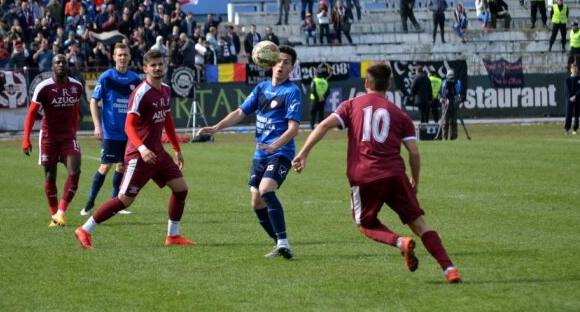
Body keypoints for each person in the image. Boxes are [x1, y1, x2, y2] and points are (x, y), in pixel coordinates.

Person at [292, 62, 461, 284]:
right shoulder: (400, 114)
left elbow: (323, 125)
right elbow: (414, 153)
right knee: (420, 224)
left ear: (366, 83)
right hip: (395, 174)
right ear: (389, 84)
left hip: (365, 175)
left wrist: (303, 153)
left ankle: (401, 243)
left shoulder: (352, 105)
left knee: (365, 224)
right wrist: (415, 181)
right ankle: (449, 269)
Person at [75, 50, 195, 250]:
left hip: (158, 154)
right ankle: (85, 229)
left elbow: (167, 120)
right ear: (145, 68)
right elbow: (129, 126)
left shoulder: (165, 90)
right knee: (124, 201)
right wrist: (142, 148)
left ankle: (173, 236)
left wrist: (176, 148)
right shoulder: (140, 93)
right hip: (139, 156)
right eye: (153, 65)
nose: (157, 68)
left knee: (181, 189)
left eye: (160, 64)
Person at [196, 45, 302, 259]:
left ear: (292, 68)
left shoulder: (292, 92)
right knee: (256, 202)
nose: (281, 65)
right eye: (279, 60)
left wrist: (275, 146)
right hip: (260, 154)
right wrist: (217, 127)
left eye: (287, 62)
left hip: (280, 152)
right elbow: (240, 112)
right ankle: (281, 244)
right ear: (271, 62)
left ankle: (282, 241)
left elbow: (293, 129)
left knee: (266, 190)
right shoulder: (261, 88)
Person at [22, 54, 83, 227]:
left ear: (67, 65)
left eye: (63, 62)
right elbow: (32, 113)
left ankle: (61, 213)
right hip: (48, 136)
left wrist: (75, 132)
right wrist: (26, 139)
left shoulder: (76, 86)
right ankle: (54, 216)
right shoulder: (44, 87)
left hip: (68, 136)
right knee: (50, 175)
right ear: (52, 66)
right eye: (57, 62)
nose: (61, 65)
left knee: (75, 172)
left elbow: (75, 109)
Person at [80, 43, 142, 216]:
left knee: (122, 166)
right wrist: (97, 126)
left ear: (130, 57)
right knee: (105, 167)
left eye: (125, 55)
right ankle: (90, 203)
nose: (122, 58)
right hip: (110, 133)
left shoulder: (135, 79)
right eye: (119, 55)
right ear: (114, 57)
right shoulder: (106, 77)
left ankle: (114, 205)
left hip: (128, 134)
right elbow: (94, 101)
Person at [440, 69, 462, 140]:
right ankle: (444, 138)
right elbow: (439, 93)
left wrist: (460, 97)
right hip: (445, 105)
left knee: (454, 122)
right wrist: (441, 99)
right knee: (445, 123)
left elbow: (462, 93)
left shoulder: (458, 83)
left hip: (454, 105)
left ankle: (454, 137)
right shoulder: (443, 83)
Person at [564, 63, 580, 135]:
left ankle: (575, 129)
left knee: (577, 115)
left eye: (576, 68)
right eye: (573, 68)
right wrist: (570, 97)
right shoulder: (567, 79)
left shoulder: (579, 79)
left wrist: (575, 96)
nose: (574, 69)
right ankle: (567, 129)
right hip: (569, 99)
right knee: (568, 114)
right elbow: (566, 90)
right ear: (570, 69)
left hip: (577, 99)